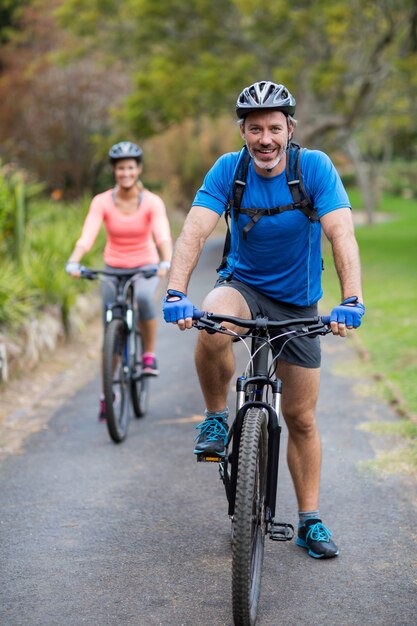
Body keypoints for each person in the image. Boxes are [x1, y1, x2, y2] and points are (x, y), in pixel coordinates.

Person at [162, 81, 365, 559]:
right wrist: (175, 290)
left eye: (275, 127)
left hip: (297, 303)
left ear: (290, 129)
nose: (266, 138)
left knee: (300, 416)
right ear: (243, 131)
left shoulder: (312, 167)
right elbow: (195, 230)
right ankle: (215, 419)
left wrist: (351, 298)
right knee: (212, 319)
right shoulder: (228, 170)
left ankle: (310, 519)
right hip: (243, 288)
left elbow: (341, 233)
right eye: (256, 128)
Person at [66, 140, 172, 420]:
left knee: (142, 300)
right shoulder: (101, 201)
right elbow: (87, 236)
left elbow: (162, 236)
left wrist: (165, 260)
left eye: (130, 168)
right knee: (109, 330)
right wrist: (74, 260)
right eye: (120, 168)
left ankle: (148, 356)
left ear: (138, 169)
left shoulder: (151, 202)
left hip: (145, 266)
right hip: (113, 268)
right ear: (114, 171)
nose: (125, 173)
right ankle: (108, 393)